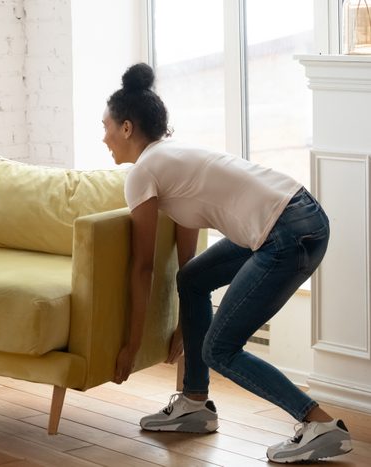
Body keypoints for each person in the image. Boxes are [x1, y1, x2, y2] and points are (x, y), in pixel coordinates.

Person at [103, 63, 353, 463]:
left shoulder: (142, 173)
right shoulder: (172, 154)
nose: (105, 138)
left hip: (283, 233)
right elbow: (190, 270)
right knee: (194, 279)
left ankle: (319, 424)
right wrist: (185, 327)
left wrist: (131, 346)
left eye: (107, 127)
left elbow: (143, 267)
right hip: (302, 215)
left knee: (219, 349)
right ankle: (195, 405)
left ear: (127, 128)